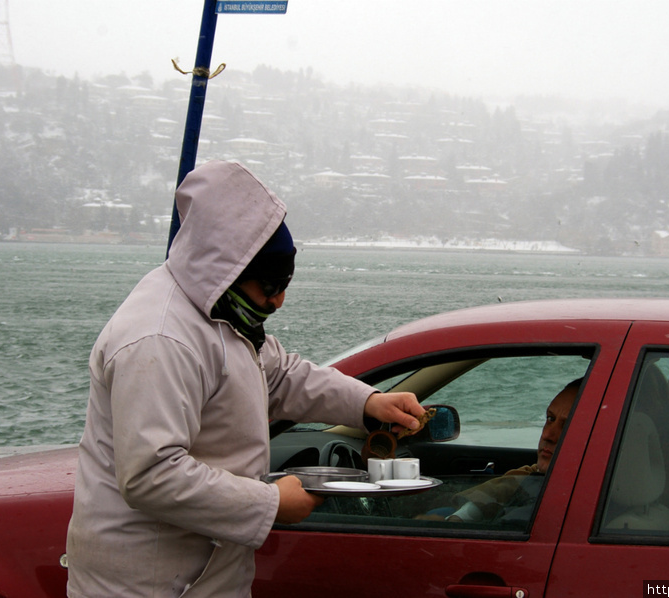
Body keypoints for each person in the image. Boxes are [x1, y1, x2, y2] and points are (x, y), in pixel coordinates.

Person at [65, 160, 426, 597]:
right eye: (269, 287)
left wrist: (368, 403)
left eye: (285, 284)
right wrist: (271, 504)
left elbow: (279, 374)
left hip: (209, 575)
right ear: (229, 271)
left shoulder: (223, 311)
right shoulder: (159, 338)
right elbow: (151, 474)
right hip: (144, 584)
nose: (279, 300)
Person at [425, 377, 582, 523]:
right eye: (550, 419)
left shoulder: (581, 497)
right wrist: (460, 517)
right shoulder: (544, 474)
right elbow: (519, 479)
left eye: (567, 425)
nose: (548, 434)